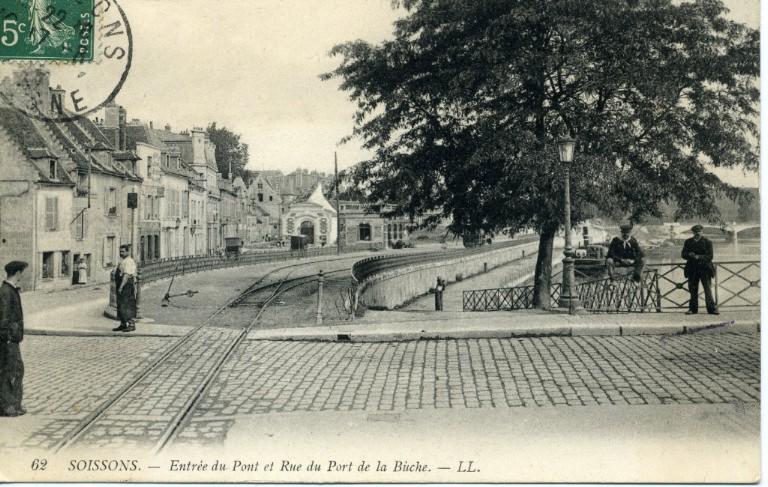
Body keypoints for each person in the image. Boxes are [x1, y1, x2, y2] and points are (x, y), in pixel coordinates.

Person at [0, 261, 28, 416]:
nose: (21, 276)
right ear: (17, 273)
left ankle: (15, 404)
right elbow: (3, 318)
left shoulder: (10, 290)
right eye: (21, 272)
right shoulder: (5, 292)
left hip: (13, 338)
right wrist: (7, 337)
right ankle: (7, 406)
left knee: (17, 370)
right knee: (8, 371)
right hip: (8, 340)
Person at [681, 224, 718, 315]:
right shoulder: (688, 242)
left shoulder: (708, 242)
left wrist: (698, 257)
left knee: (708, 289)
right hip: (692, 269)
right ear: (693, 233)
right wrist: (689, 254)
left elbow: (710, 256)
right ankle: (692, 309)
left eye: (699, 232)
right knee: (693, 290)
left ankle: (712, 309)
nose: (697, 233)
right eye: (695, 232)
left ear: (702, 232)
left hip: (705, 269)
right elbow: (683, 254)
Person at [113, 245, 138, 332]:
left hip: (126, 285)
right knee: (120, 305)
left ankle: (131, 324)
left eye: (123, 251)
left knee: (126, 305)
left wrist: (121, 287)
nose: (121, 253)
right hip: (122, 284)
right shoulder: (123, 261)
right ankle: (123, 324)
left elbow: (126, 275)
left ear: (128, 252)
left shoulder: (128, 261)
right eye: (120, 251)